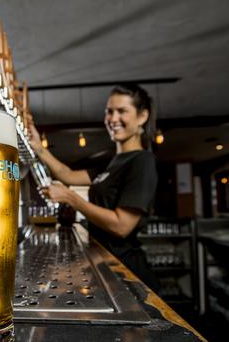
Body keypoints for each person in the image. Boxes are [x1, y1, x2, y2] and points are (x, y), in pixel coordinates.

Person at [28, 85, 160, 291]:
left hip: (128, 271)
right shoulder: (113, 162)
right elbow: (66, 174)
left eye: (122, 111)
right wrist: (38, 148)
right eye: (109, 111)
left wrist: (70, 198)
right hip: (105, 261)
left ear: (142, 116)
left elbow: (121, 226)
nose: (113, 118)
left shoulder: (142, 161)